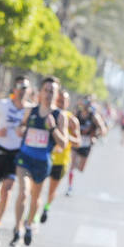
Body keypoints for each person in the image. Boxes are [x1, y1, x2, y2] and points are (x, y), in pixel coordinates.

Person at [10, 77, 68, 247]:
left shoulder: (59, 116)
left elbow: (63, 143)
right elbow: (21, 126)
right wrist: (20, 130)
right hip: (25, 158)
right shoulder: (31, 111)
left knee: (35, 198)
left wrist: (52, 128)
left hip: (42, 162)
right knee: (24, 192)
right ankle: (18, 228)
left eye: (52, 91)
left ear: (56, 95)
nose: (49, 94)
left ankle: (29, 224)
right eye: (46, 90)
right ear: (41, 92)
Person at [0, 76, 30, 246]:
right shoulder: (2, 105)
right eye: (20, 86)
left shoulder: (29, 110)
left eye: (26, 87)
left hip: (15, 154)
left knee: (7, 191)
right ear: (14, 89)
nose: (23, 90)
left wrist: (24, 133)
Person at [40, 89, 80, 223]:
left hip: (61, 161)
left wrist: (64, 136)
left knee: (52, 190)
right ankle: (33, 216)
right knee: (38, 189)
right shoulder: (48, 115)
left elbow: (78, 142)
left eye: (64, 101)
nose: (61, 103)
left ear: (68, 103)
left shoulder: (72, 120)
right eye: (59, 100)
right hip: (46, 157)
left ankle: (46, 208)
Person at [67, 99, 106, 195]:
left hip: (86, 144)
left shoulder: (94, 116)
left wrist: (96, 136)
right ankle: (70, 187)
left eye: (88, 104)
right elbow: (69, 124)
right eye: (85, 104)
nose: (86, 106)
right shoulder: (77, 114)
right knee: (72, 166)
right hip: (76, 142)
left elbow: (103, 129)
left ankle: (75, 164)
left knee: (81, 169)